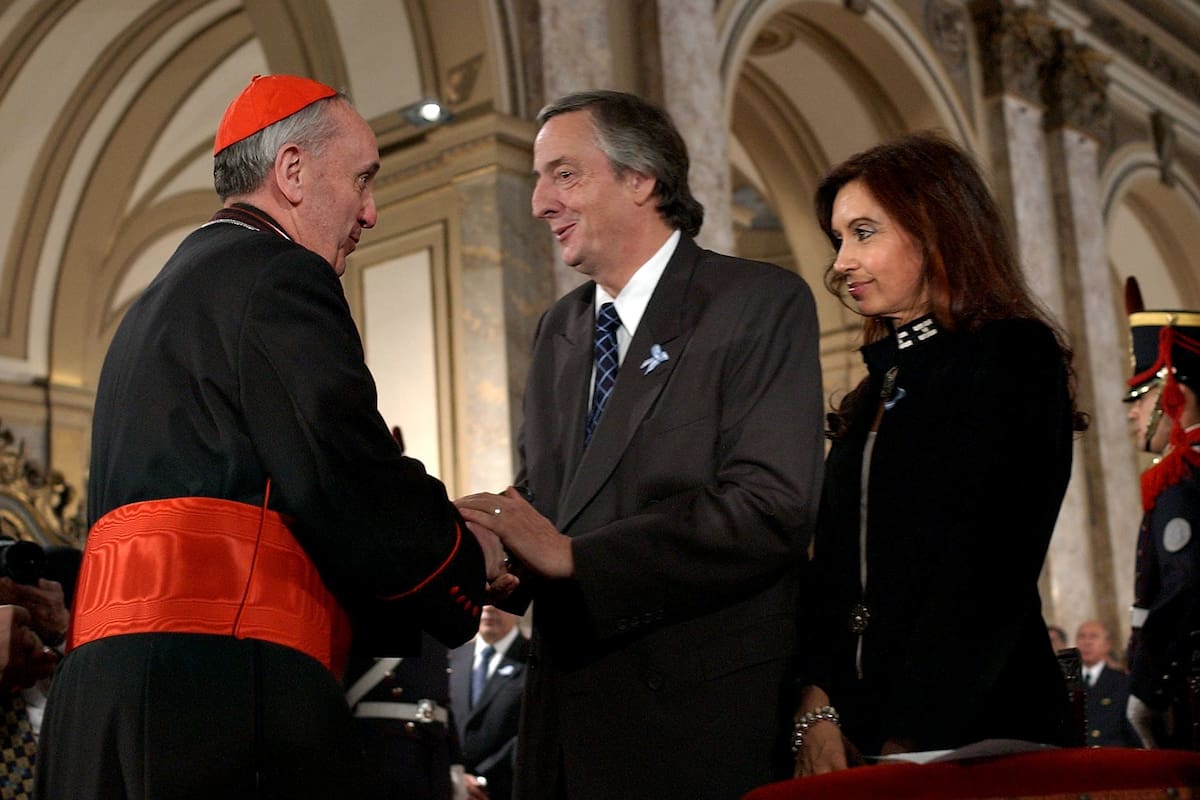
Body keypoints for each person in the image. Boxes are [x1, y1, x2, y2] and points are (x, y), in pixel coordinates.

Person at [35, 74, 507, 799]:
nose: (372, 211)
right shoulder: (280, 276)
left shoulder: (159, 300)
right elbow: (347, 475)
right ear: (292, 171)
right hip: (215, 694)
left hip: (101, 703)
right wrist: (467, 555)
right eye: (362, 179)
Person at [455, 90, 824, 799]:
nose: (539, 202)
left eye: (564, 175)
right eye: (539, 179)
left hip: (693, 727)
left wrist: (577, 558)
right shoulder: (559, 329)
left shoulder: (756, 302)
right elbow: (553, 498)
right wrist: (496, 546)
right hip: (563, 725)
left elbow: (770, 506)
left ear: (641, 178)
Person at [793, 132, 1085, 775]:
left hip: (979, 733)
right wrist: (817, 705)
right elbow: (831, 570)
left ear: (936, 231)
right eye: (838, 239)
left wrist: (911, 734)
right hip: (858, 734)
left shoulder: (1013, 355)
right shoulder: (875, 387)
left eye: (864, 233)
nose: (842, 262)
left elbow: (990, 565)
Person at [1122, 284, 1200, 749]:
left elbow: (1187, 580)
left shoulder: (1182, 477)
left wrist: (1149, 690)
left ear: (1177, 394)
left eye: (1141, 396)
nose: (1133, 414)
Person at [449, 605, 528, 800]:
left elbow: (530, 730)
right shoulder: (453, 657)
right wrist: (455, 775)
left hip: (505, 788)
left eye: (499, 600)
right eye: (482, 600)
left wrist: (480, 780)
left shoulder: (534, 662)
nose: (489, 608)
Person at [1075, 619, 1140, 747]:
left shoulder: (1122, 683)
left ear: (1107, 645)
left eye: (1093, 636)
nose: (1086, 642)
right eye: (1081, 636)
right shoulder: (1065, 682)